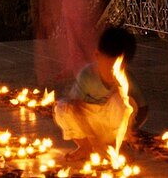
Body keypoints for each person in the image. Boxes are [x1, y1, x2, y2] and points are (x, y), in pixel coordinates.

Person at [54, 25, 147, 162]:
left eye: (119, 67)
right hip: (87, 126)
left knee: (127, 102)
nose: (113, 72)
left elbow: (143, 107)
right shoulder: (87, 76)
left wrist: (132, 129)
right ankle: (85, 147)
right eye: (110, 65)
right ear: (97, 56)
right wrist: (93, 141)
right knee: (62, 108)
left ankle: (117, 147)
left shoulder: (126, 79)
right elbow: (76, 108)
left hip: (111, 128)